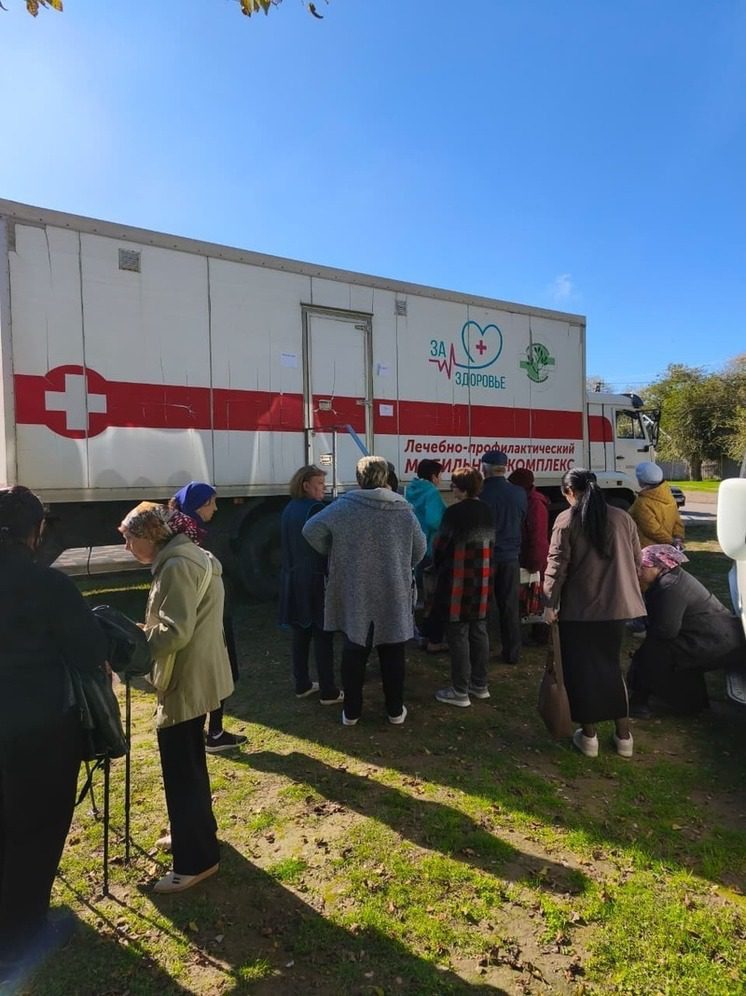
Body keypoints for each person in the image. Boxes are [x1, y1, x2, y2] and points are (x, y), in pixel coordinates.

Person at [0, 487, 108, 975]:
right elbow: (87, 654)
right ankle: (24, 930)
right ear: (36, 530)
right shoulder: (47, 586)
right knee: (36, 826)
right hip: (37, 729)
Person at [119, 502, 234, 893]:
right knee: (189, 765)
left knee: (182, 769)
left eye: (128, 539)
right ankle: (195, 833)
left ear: (148, 536)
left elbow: (175, 631)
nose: (126, 547)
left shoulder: (177, 564)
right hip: (195, 673)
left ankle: (196, 860)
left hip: (187, 678)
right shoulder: (183, 556)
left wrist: (132, 644)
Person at [302, 456, 426, 726]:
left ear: (359, 479)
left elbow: (311, 530)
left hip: (354, 586)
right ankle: (394, 711)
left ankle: (351, 712)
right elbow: (420, 549)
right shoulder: (403, 509)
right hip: (393, 587)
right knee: (392, 650)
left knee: (354, 647)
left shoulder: (343, 507)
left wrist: (334, 552)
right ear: (385, 477)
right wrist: (399, 563)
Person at [543, 469, 645, 758]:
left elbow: (556, 566)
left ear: (569, 493)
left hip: (580, 608)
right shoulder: (622, 517)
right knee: (611, 668)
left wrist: (549, 604)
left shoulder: (567, 520)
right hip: (618, 607)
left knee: (581, 672)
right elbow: (637, 558)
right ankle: (624, 737)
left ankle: (589, 738)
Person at [170, 482, 246, 753]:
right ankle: (214, 732)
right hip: (211, 616)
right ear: (200, 505)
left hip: (203, 615)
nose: (216, 507)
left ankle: (207, 730)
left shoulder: (181, 531)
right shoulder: (198, 535)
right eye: (212, 502)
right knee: (219, 672)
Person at [627, 544, 746, 717]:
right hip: (722, 638)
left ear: (659, 566)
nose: (638, 572)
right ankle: (691, 703)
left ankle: (640, 702)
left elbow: (666, 631)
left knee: (653, 652)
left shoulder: (669, 587)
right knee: (657, 650)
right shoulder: (674, 578)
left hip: (715, 642)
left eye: (642, 567)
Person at [431, 467, 495, 707]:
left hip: (458, 579)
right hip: (484, 577)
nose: (452, 488)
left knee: (458, 634)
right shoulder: (487, 510)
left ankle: (460, 690)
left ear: (464, 488)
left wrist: (435, 566)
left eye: (455, 485)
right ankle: (480, 685)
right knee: (479, 630)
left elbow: (440, 544)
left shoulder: (454, 513)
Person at [278, 465, 342, 703]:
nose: (323, 490)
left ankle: (302, 683)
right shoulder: (315, 508)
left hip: (292, 578)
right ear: (306, 486)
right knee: (322, 634)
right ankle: (328, 689)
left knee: (300, 633)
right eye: (320, 485)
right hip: (314, 578)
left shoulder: (289, 508)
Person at [480, 450, 527, 664]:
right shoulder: (518, 493)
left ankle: (483, 649)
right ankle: (512, 652)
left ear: (484, 468)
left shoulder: (481, 493)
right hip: (510, 557)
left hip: (486, 556)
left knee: (484, 605)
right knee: (510, 606)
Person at [405, 459, 448, 652]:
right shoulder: (431, 493)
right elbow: (435, 520)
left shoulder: (410, 489)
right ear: (433, 476)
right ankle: (428, 633)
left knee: (414, 589)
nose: (441, 479)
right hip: (429, 547)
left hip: (411, 545)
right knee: (431, 592)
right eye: (440, 475)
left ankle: (413, 627)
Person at [509, 467, 550, 637]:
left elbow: (538, 537)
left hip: (534, 559)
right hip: (529, 556)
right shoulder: (529, 501)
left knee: (537, 596)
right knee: (531, 596)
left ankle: (540, 634)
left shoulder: (534, 504)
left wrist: (535, 562)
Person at [629, 462, 685, 549]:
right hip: (667, 549)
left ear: (640, 480)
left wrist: (672, 542)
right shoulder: (669, 496)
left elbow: (651, 530)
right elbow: (677, 522)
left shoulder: (642, 503)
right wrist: (678, 538)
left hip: (647, 551)